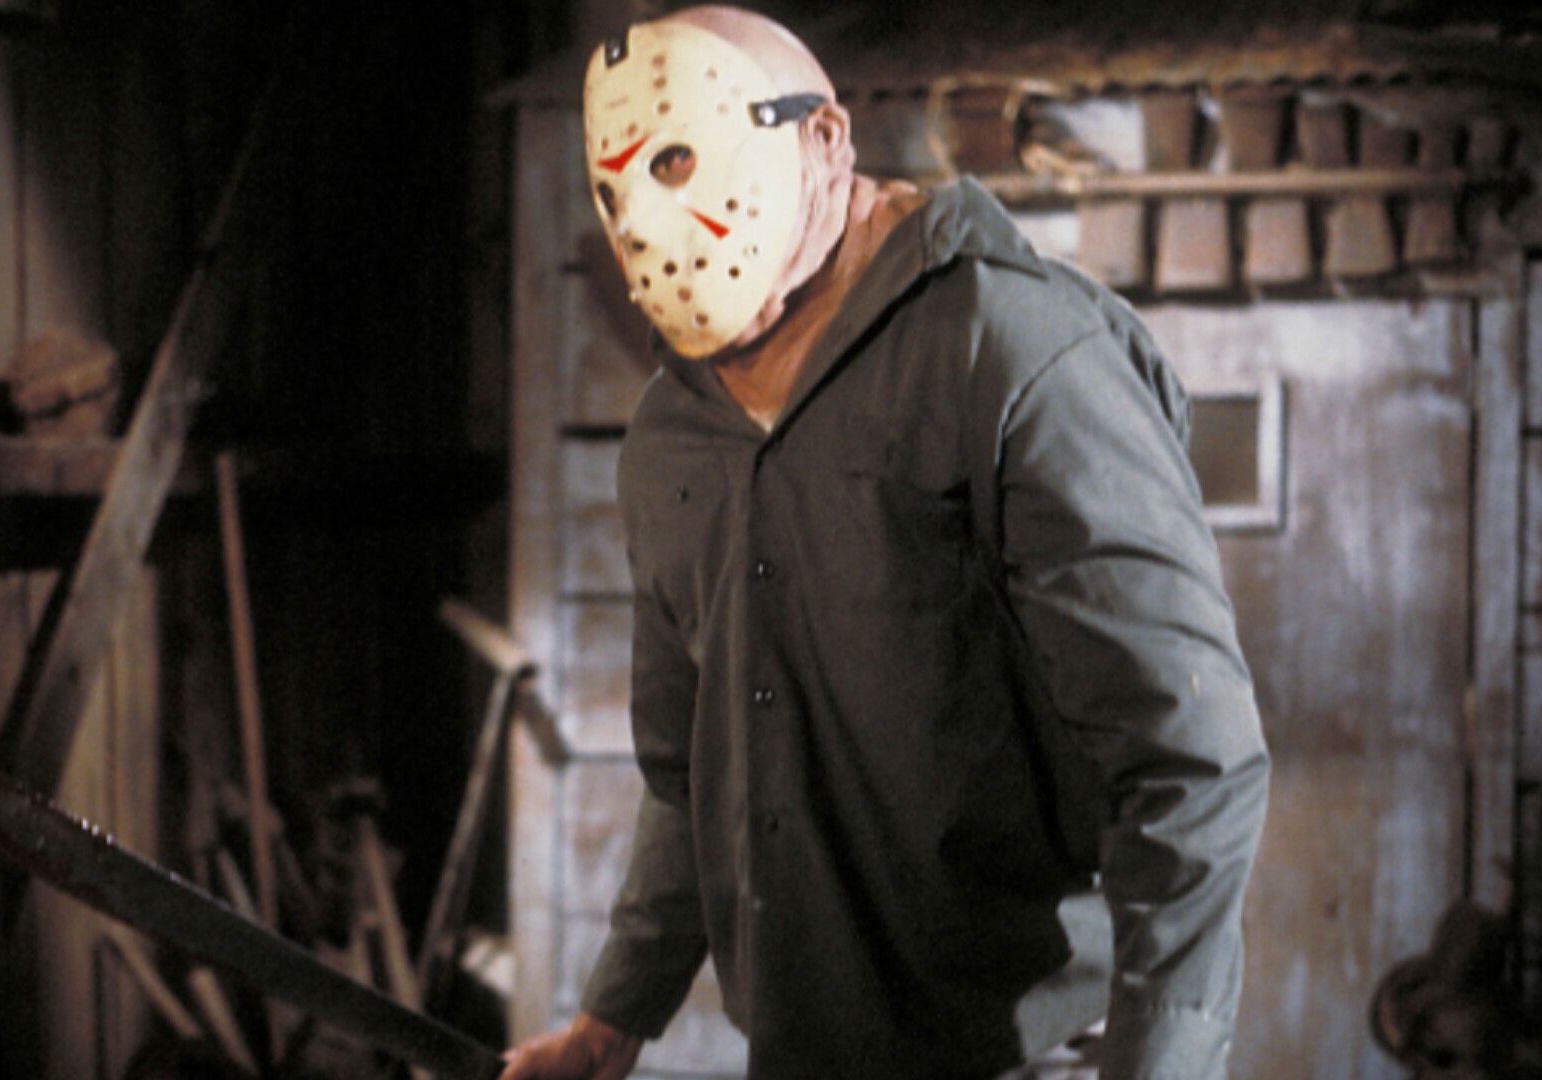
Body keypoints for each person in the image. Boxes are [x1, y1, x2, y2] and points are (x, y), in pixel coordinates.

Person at [500, 7, 1270, 1080]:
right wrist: (613, 1019)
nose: (648, 218)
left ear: (824, 141)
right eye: (617, 189)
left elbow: (1188, 760)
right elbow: (693, 776)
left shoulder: (1011, 352)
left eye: (677, 160)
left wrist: (1161, 1067)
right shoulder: (673, 436)